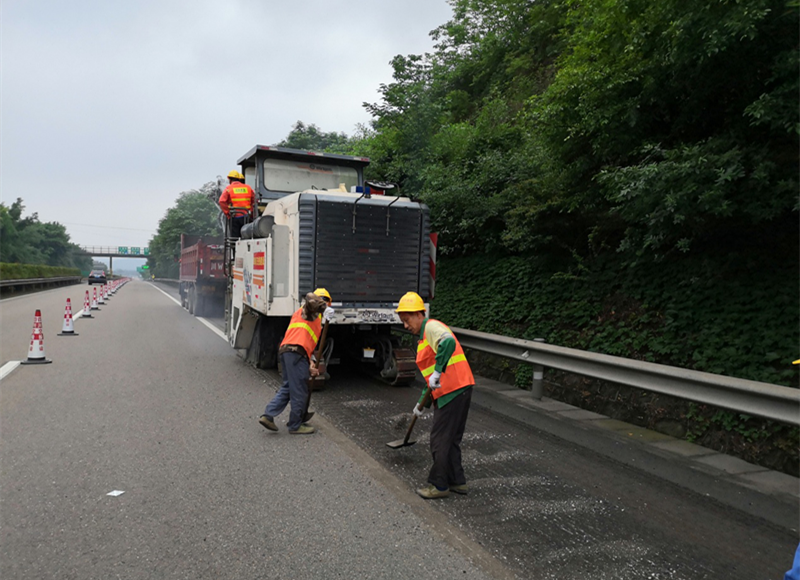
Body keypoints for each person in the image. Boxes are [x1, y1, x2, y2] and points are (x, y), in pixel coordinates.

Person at [395, 291, 475, 499]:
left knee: (439, 439)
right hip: (459, 387)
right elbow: (432, 379)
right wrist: (421, 404)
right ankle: (457, 481)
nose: (405, 325)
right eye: (403, 321)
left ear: (419, 314)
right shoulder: (424, 338)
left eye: (407, 320)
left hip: (453, 389)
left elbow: (447, 343)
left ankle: (439, 485)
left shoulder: (431, 327)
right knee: (451, 439)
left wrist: (438, 372)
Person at [258, 292, 335, 435]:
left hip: (289, 352)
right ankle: (295, 425)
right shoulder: (308, 311)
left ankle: (268, 415)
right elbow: (310, 296)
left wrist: (310, 365)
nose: (324, 304)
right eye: (322, 301)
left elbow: (306, 345)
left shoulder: (312, 320)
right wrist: (323, 308)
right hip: (294, 353)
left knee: (289, 386)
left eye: (326, 302)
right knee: (300, 388)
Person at [219, 170, 256, 238]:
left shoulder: (228, 189)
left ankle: (235, 248)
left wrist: (228, 213)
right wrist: (251, 212)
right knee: (246, 236)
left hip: (234, 217)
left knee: (234, 238)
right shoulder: (248, 188)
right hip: (246, 216)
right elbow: (255, 201)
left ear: (230, 179)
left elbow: (222, 201)